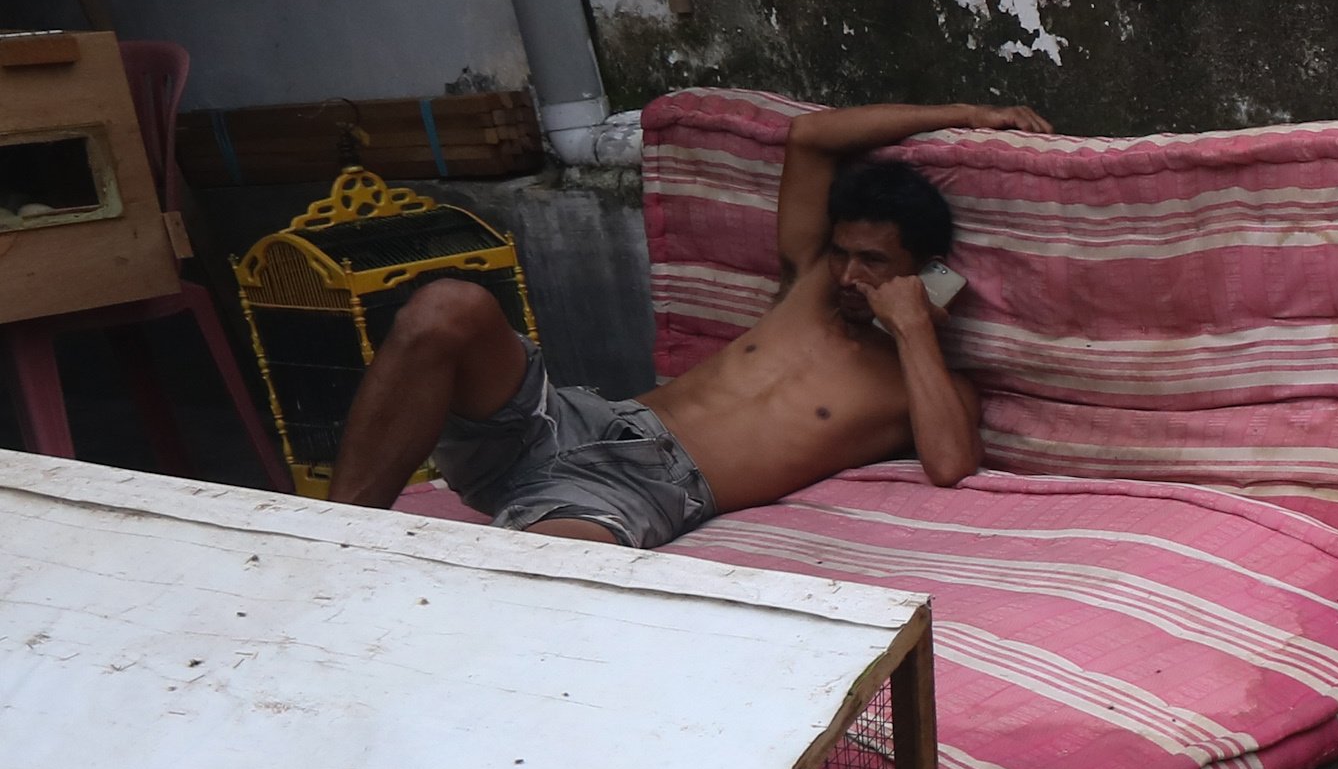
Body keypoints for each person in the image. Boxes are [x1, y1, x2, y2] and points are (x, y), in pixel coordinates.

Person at [327, 100, 1052, 545]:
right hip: (582, 421)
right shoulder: (807, 285)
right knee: (447, 307)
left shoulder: (919, 386)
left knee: (541, 574)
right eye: (843, 253)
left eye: (874, 262)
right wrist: (968, 113)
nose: (849, 275)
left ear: (922, 270)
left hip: (645, 488)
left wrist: (914, 327)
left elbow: (950, 465)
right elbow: (810, 137)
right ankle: (328, 539)